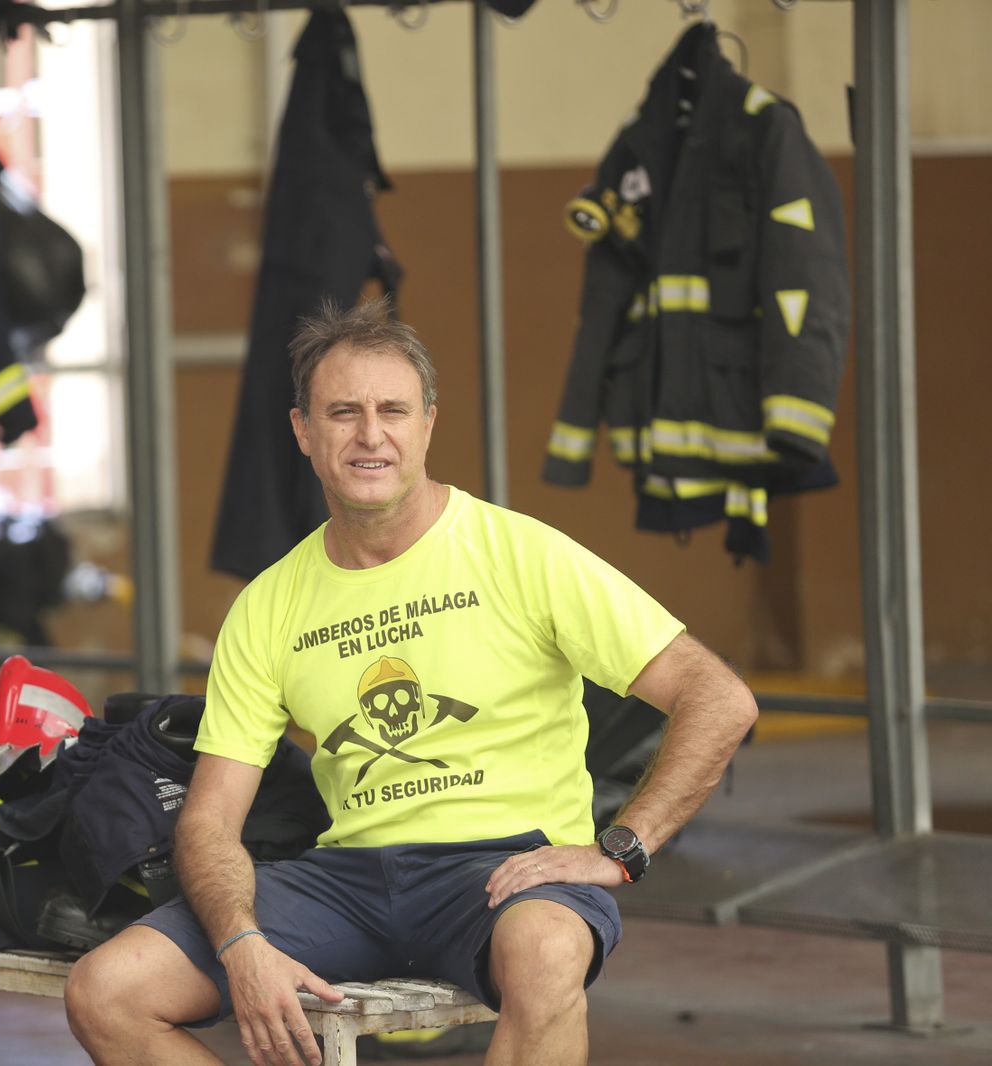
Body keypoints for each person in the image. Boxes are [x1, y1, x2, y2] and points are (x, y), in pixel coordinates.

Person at [64, 299, 758, 1066]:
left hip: (507, 868)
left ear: (428, 424)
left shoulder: (521, 554)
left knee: (550, 948)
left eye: (393, 409)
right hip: (346, 880)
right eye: (343, 412)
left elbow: (717, 695)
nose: (371, 435)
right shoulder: (267, 605)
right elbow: (208, 823)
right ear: (303, 431)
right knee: (107, 991)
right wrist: (240, 940)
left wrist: (622, 847)